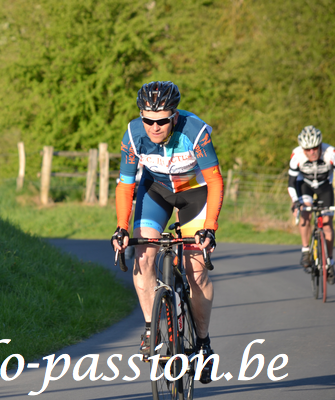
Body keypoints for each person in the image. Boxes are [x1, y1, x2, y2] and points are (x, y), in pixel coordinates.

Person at [111, 81, 223, 384]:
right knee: (143, 256)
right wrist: (121, 227)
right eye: (148, 120)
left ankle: (203, 343)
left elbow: (214, 181)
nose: (154, 127)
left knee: (195, 269)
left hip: (194, 193)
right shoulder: (133, 134)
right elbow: (125, 184)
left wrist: (210, 228)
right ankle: (151, 330)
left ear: (174, 116)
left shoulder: (195, 132)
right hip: (155, 192)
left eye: (161, 120)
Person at [288, 125, 335, 284]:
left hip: (325, 186)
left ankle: (329, 262)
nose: (312, 152)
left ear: (320, 145)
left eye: (315, 148)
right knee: (305, 212)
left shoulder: (330, 153)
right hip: (304, 185)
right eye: (307, 149)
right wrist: (295, 202)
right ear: (303, 149)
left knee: (327, 224)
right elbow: (291, 183)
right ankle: (306, 250)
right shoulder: (297, 155)